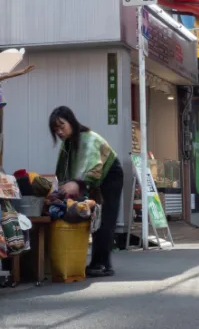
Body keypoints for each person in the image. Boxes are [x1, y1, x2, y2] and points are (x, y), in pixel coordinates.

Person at [50, 106, 122, 278]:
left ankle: (102, 264)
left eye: (62, 126)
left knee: (105, 217)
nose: (59, 132)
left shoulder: (87, 139)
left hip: (111, 174)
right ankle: (97, 261)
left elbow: (91, 165)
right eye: (56, 129)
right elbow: (63, 171)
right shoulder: (69, 142)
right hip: (92, 179)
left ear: (71, 122)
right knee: (94, 216)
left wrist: (76, 183)